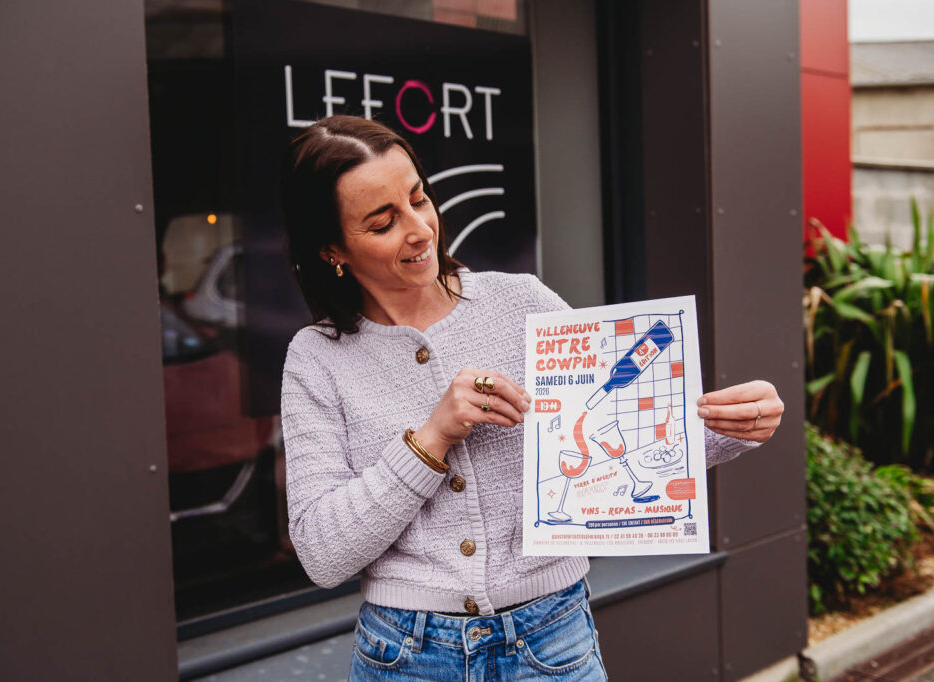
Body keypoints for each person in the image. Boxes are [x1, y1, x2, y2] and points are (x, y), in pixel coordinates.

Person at [280, 115, 784, 680]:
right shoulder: (317, 358)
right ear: (332, 249)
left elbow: (605, 437)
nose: (421, 229)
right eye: (382, 223)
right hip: (406, 656)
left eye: (420, 199)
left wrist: (728, 425)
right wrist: (431, 438)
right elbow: (323, 554)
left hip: (550, 641)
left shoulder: (520, 303)